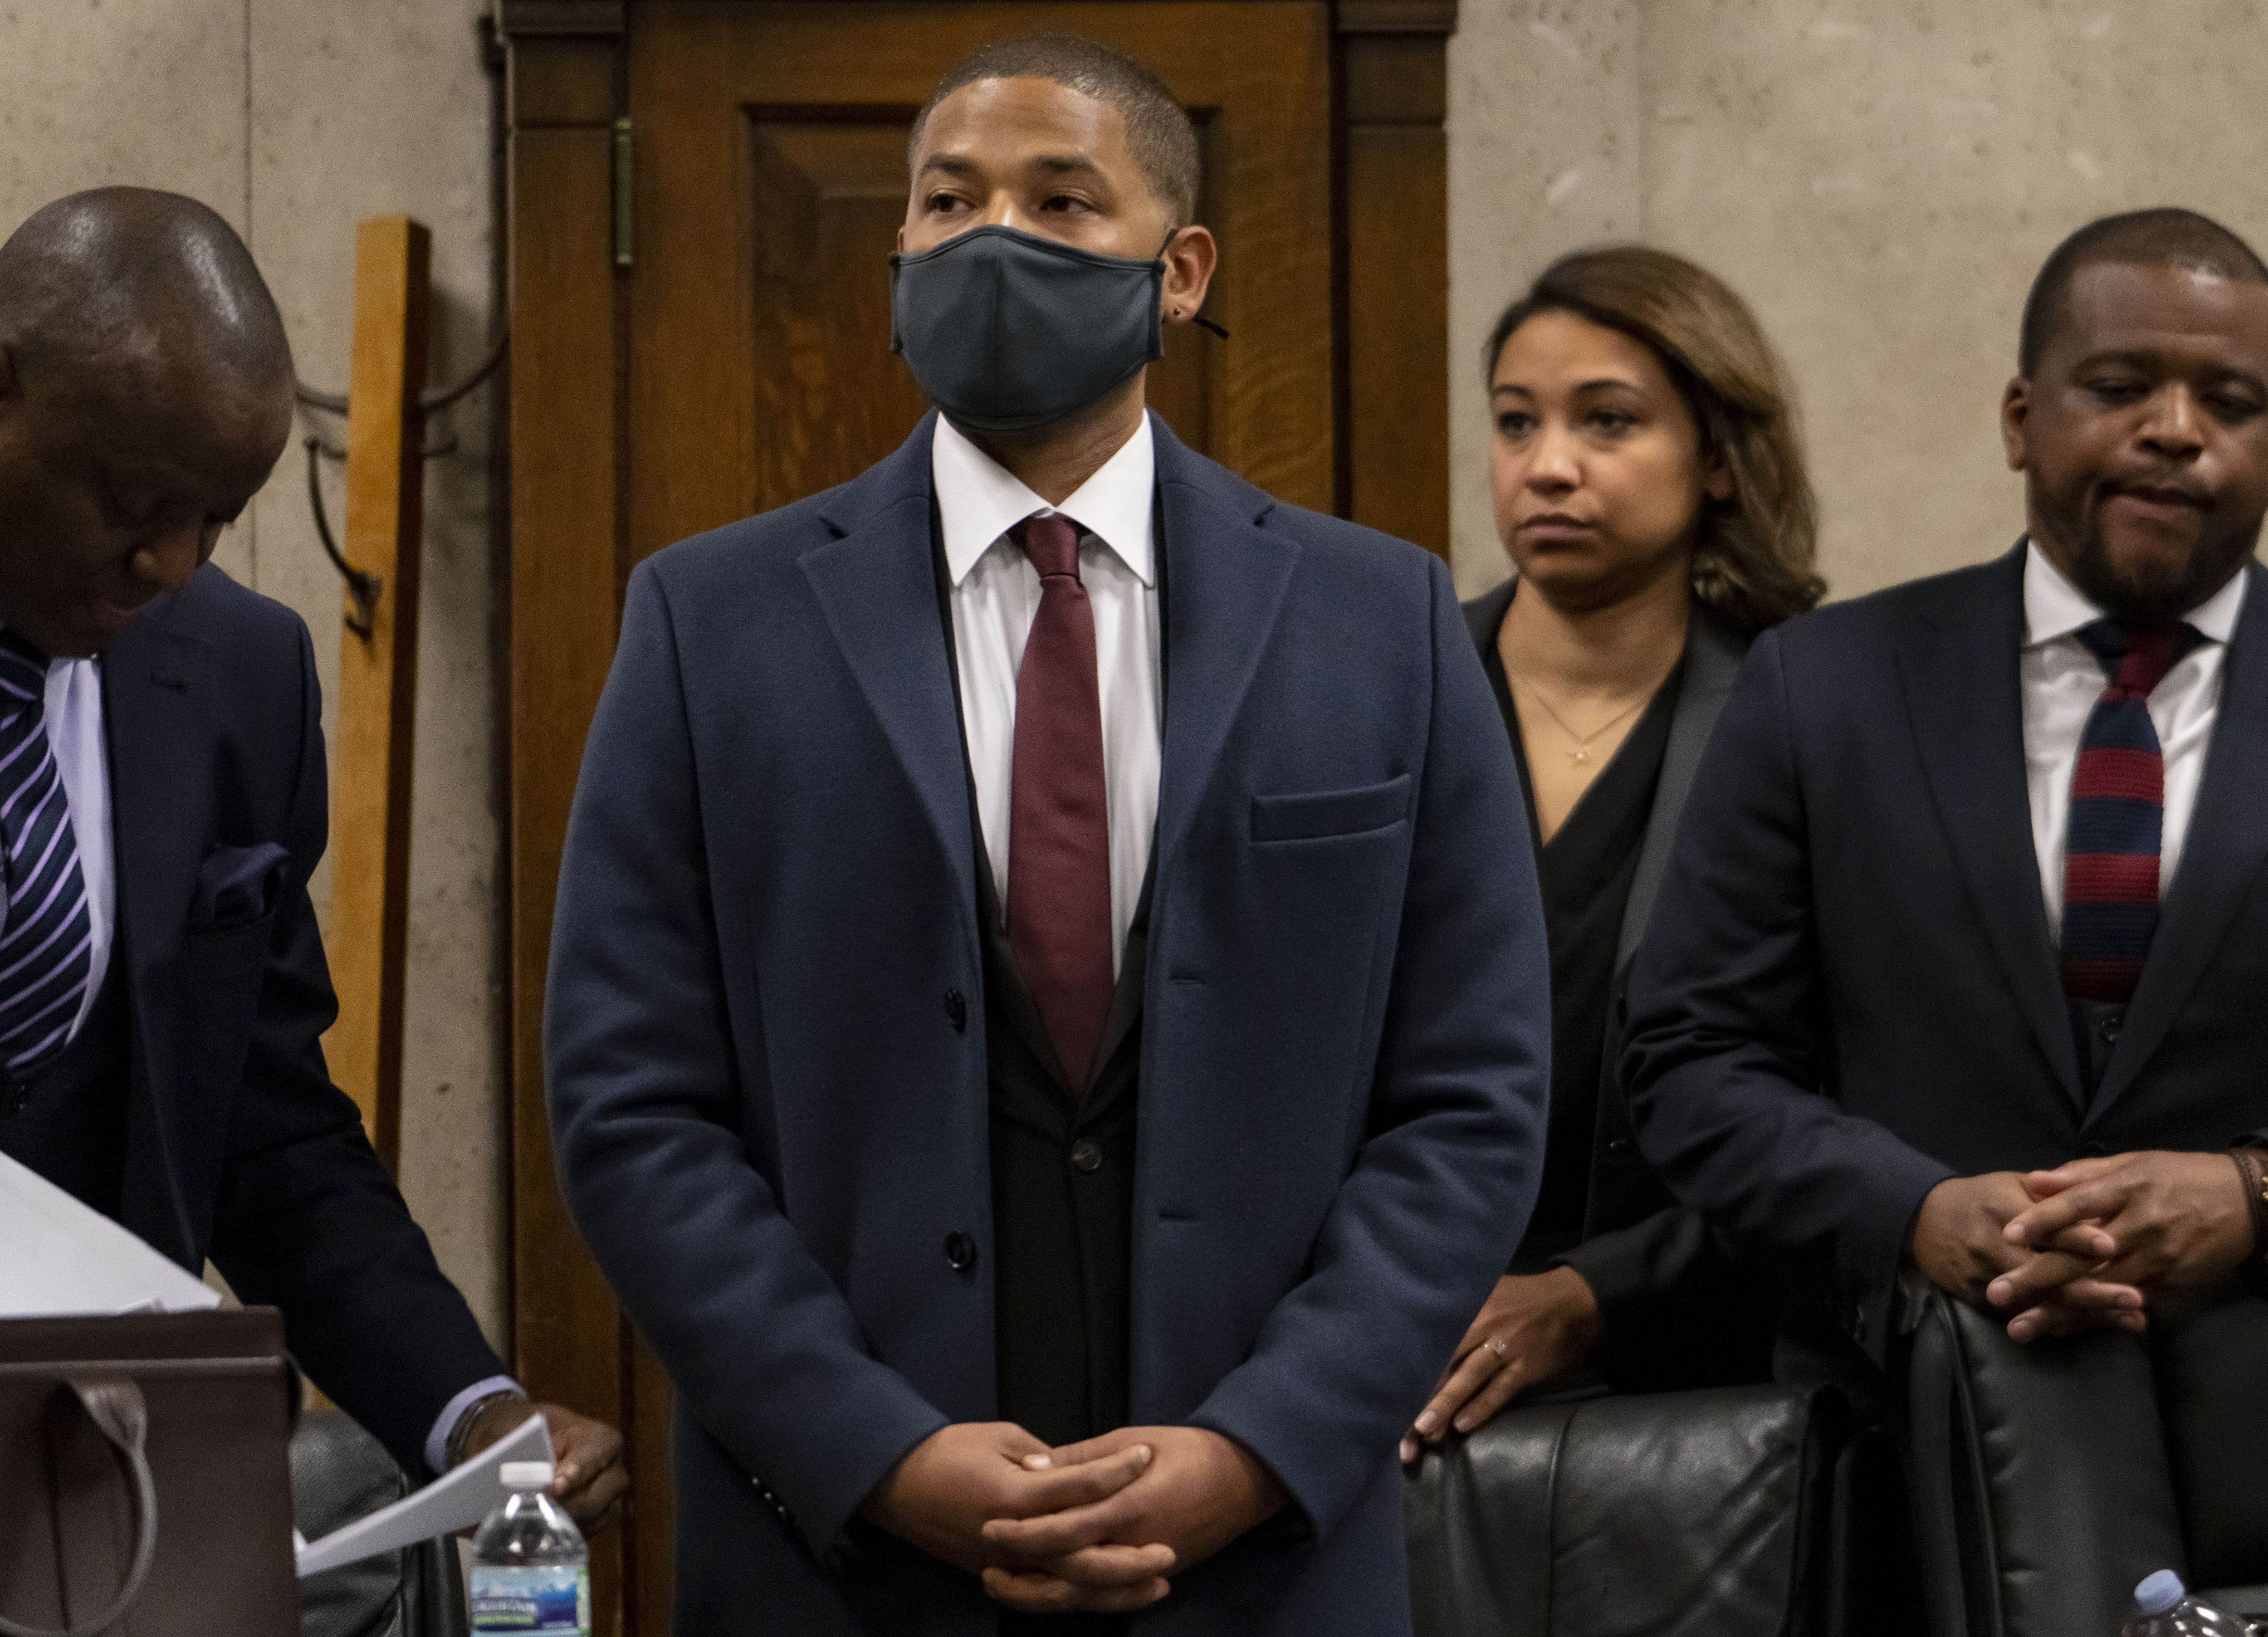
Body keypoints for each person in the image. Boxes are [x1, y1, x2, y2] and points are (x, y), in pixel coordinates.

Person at [544, 32, 1549, 1636]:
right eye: (947, 202)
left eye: (1063, 201)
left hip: (1266, 1562)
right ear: (897, 258)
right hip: (844, 1564)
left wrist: (1259, 1443)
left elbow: (1471, 1095)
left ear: (1180, 266)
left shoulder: (1387, 623)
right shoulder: (706, 623)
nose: (991, 237)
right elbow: (631, 1101)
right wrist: (875, 1449)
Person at [0, 188, 626, 1521]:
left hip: (89, 1506)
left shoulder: (243, 674)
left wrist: (469, 1408)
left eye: (218, 517)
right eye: (133, 499)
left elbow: (263, 1133)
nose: (171, 563)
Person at [1621, 207, 2268, 1411]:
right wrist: (1911, 1210)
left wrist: (2252, 1192)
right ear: (2024, 419)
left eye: (2231, 403)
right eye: (2121, 384)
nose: (2177, 431)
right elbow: (1689, 1058)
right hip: (1911, 1434)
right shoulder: (1824, 687)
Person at [1405, 247, 1821, 1461]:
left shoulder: (1808, 718)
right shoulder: (1394, 688)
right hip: (1391, 1357)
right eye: (1515, 421)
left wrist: (1598, 1293)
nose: (1548, 464)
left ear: (1723, 461)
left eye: (1609, 421)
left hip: (1701, 1381)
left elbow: (1841, 1094)